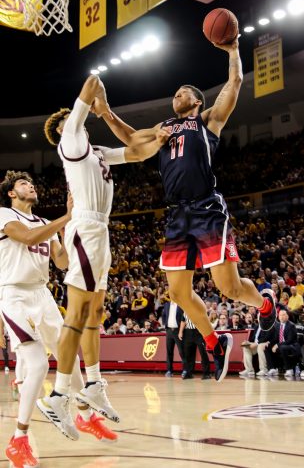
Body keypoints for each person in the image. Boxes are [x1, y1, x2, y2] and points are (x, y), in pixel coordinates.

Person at [92, 37, 276, 382]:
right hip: (176, 215)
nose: (175, 96)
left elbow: (234, 84)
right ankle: (215, 341)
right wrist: (104, 112)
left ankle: (265, 305)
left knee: (230, 289)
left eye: (182, 93)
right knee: (177, 292)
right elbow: (132, 140)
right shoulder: (164, 129)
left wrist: (233, 49)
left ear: (196, 100)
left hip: (207, 208)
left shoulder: (207, 121)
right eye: (174, 93)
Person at [37, 74, 170, 438]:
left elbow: (137, 152)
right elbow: (93, 80)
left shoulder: (97, 153)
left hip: (101, 230)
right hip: (84, 228)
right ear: (63, 131)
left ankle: (93, 384)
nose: (77, 121)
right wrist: (101, 104)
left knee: (94, 313)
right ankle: (60, 394)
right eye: (71, 119)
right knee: (78, 313)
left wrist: (158, 140)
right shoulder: (70, 142)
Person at [0, 171, 117, 468]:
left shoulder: (43, 223)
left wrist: (71, 234)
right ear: (12, 193)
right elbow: (25, 237)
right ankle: (18, 440)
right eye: (24, 184)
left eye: (31, 183)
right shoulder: (3, 214)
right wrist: (66, 217)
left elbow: (62, 262)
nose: (31, 186)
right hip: (14, 296)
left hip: (43, 294)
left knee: (69, 357)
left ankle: (84, 415)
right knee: (38, 364)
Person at [179, 312, 211, 380]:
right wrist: (180, 332)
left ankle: (207, 373)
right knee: (188, 354)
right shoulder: (185, 310)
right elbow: (183, 320)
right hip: (188, 332)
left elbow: (205, 320)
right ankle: (189, 373)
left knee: (203, 353)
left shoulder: (198, 308)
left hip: (199, 332)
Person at [161, 300, 187, 377]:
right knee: (169, 352)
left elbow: (184, 317)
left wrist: (181, 330)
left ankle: (185, 370)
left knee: (181, 351)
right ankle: (169, 370)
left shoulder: (181, 304)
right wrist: (165, 325)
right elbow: (164, 315)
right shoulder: (167, 304)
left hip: (178, 330)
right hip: (169, 331)